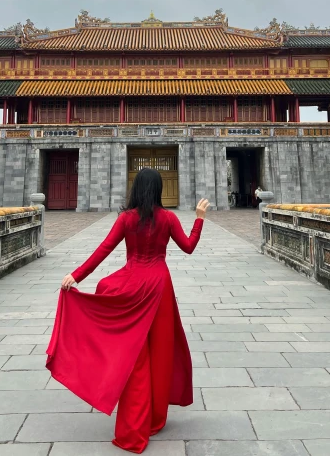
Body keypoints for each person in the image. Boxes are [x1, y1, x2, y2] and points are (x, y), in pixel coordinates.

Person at [46, 167, 209, 454]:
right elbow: (189, 247)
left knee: (134, 354)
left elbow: (103, 249)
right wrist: (198, 219)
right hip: (159, 286)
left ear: (136, 189)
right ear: (158, 190)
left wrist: (76, 276)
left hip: (132, 284)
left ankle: (134, 419)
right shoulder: (169, 218)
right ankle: (155, 418)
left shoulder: (126, 219)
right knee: (160, 353)